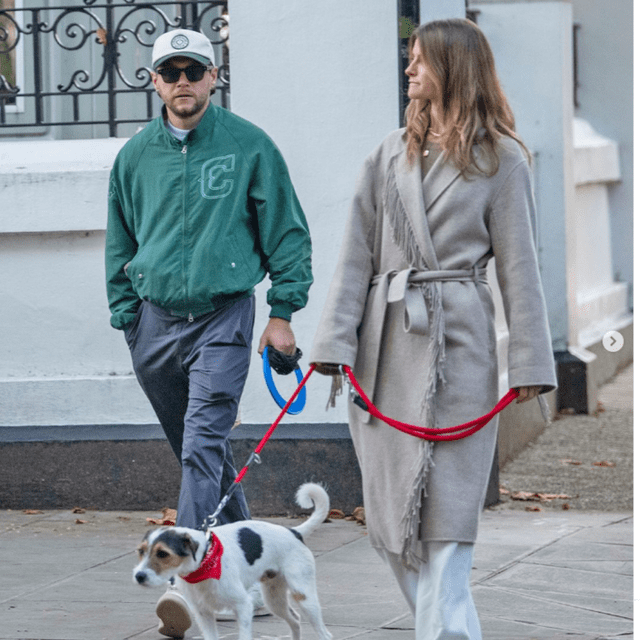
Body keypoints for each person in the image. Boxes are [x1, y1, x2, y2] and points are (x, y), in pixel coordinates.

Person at [310, 18, 556, 639]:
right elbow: (354, 257)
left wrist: (528, 360)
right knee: (393, 531)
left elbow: (521, 269)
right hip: (385, 349)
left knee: (447, 524)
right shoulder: (388, 154)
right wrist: (334, 344)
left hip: (460, 348)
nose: (408, 69)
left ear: (453, 67)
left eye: (419, 60)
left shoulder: (503, 161)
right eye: (408, 58)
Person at [105, 28, 312, 638]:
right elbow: (120, 241)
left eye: (194, 70)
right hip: (153, 324)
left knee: (202, 442)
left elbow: (288, 233)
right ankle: (257, 561)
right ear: (154, 81)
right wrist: (127, 316)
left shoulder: (249, 145)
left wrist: (282, 311)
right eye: (170, 72)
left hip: (223, 317)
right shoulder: (134, 156)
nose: (182, 82)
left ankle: (182, 587)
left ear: (213, 76)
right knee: (204, 450)